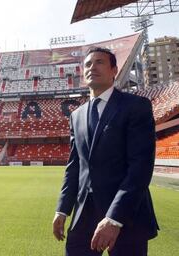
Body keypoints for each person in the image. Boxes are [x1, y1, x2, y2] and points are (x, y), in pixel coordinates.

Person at [52, 47, 159, 256]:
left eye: (99, 62)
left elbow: (140, 167)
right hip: (84, 214)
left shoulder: (136, 106)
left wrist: (114, 218)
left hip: (126, 214)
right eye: (88, 64)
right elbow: (75, 167)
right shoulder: (76, 115)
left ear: (114, 71)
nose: (92, 67)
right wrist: (62, 209)